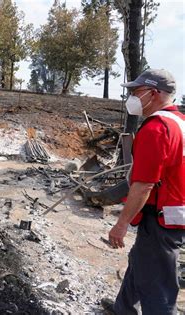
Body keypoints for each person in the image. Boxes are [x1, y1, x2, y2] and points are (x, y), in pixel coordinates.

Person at [104, 69, 185, 314]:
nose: (132, 97)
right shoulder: (179, 122)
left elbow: (144, 185)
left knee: (157, 285)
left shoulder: (156, 129)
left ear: (154, 93)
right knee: (141, 261)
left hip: (160, 217)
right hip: (172, 213)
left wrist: (121, 224)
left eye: (137, 91)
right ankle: (123, 308)